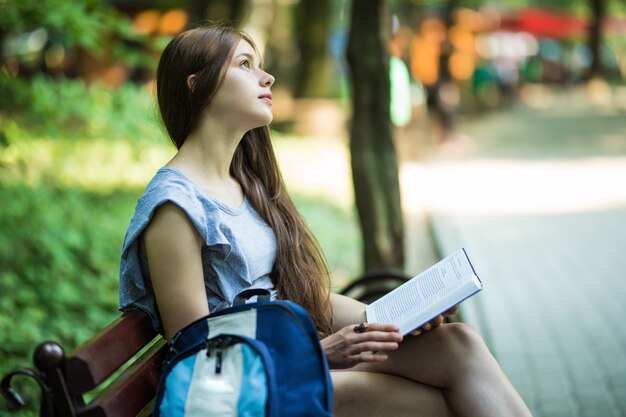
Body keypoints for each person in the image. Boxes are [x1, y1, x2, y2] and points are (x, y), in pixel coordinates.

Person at [119, 24, 533, 417]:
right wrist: (318, 353)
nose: (267, 78)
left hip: (289, 361)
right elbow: (196, 346)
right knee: (447, 403)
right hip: (247, 389)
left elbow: (294, 297)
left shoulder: (241, 182)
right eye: (245, 65)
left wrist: (393, 320)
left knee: (457, 342)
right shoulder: (174, 206)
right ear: (196, 85)